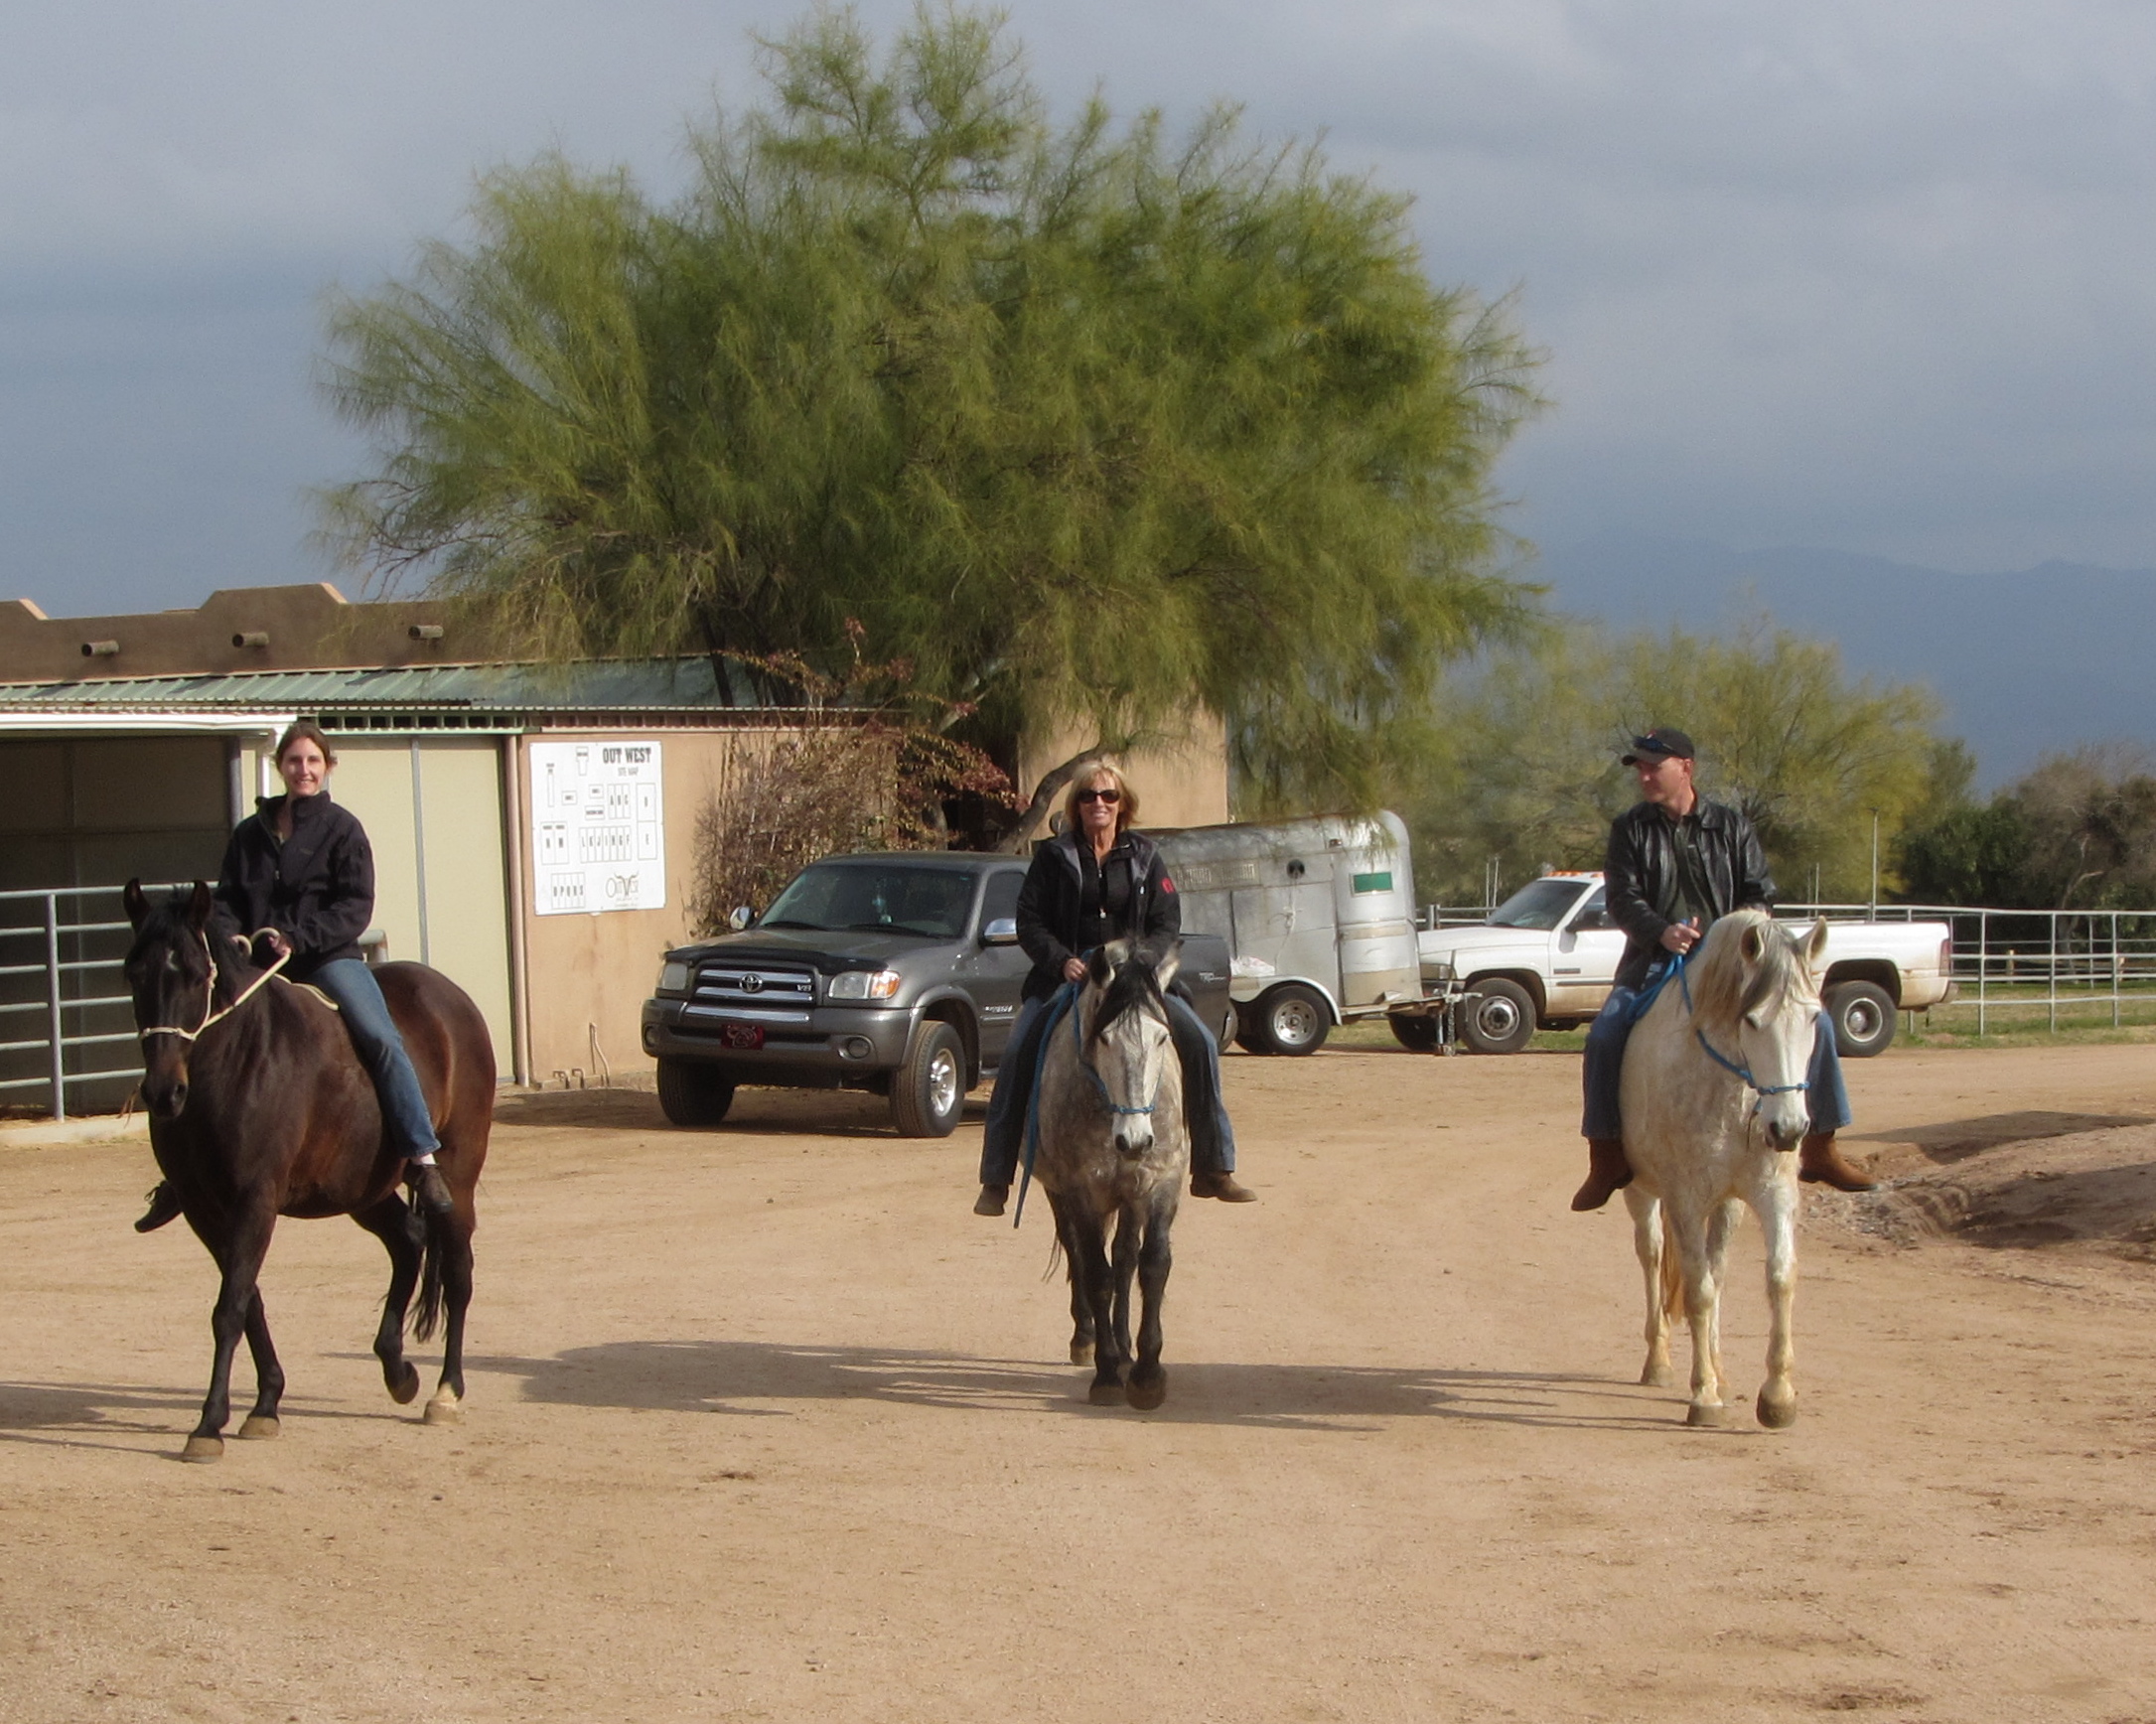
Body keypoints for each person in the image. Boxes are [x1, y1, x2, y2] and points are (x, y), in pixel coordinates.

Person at [135, 722, 452, 1231]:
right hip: (257, 963)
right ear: (280, 766)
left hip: (327, 959)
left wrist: (298, 937)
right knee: (202, 1032)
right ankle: (183, 1175)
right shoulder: (249, 834)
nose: (303, 770)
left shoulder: (344, 829)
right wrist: (231, 937)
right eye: (294, 761)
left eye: (312, 761)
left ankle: (420, 1156)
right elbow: (227, 900)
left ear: (327, 768)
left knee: (381, 1038)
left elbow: (355, 906)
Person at [1571, 727, 1877, 1214]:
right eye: (1640, 768)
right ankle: (1605, 1155)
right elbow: (1622, 897)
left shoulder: (1731, 827)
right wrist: (1661, 931)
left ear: (1685, 768)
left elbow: (1759, 893)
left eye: (1653, 766)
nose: (1644, 776)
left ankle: (1821, 1145)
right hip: (1654, 960)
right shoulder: (1630, 829)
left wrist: (1738, 935)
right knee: (1605, 1035)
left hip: (1733, 965)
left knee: (1817, 1022)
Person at [973, 760, 1255, 1217]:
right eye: (1088, 796)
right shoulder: (1053, 856)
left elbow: (1167, 920)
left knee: (1201, 1042)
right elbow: (1030, 921)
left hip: (1136, 977)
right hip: (1070, 974)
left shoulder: (1145, 855)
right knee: (1020, 1048)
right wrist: (1060, 960)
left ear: (1123, 804)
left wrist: (1144, 962)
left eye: (1108, 795)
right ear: (1077, 804)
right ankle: (996, 1174)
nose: (1098, 803)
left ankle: (1213, 1165)